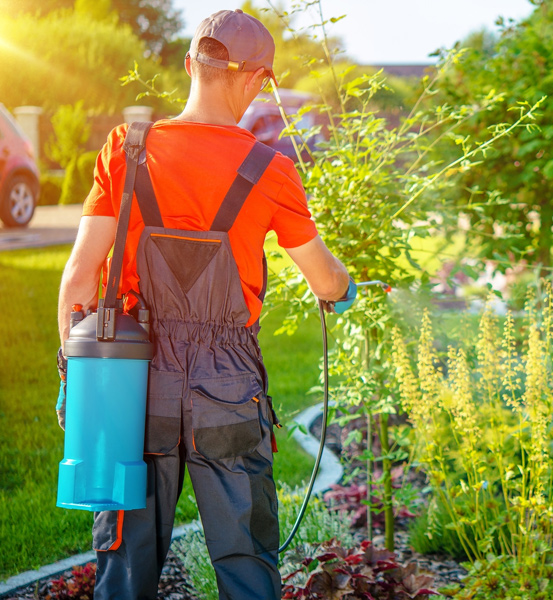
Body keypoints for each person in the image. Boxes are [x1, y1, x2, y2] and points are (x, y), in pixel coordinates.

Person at [55, 9, 353, 600]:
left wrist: (76, 374)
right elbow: (325, 281)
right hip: (229, 387)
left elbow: (79, 279)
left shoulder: (126, 147)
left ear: (190, 64)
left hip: (134, 383)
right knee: (246, 560)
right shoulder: (271, 169)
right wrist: (344, 289)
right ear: (259, 79)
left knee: (125, 565)